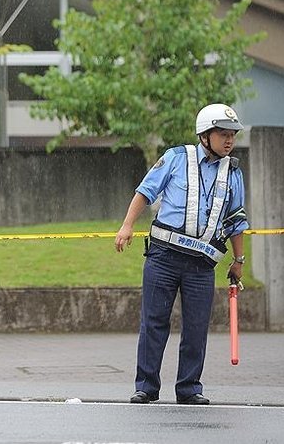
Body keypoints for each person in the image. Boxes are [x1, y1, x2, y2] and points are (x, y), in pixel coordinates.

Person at [114, 103, 249, 405]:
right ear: (205, 135)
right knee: (154, 322)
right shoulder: (176, 158)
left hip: (201, 265)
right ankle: (146, 387)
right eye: (223, 134)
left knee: (196, 327)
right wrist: (126, 226)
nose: (229, 140)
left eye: (232, 135)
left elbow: (237, 220)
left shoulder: (234, 173)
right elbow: (145, 191)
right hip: (163, 257)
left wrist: (239, 261)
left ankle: (189, 389)